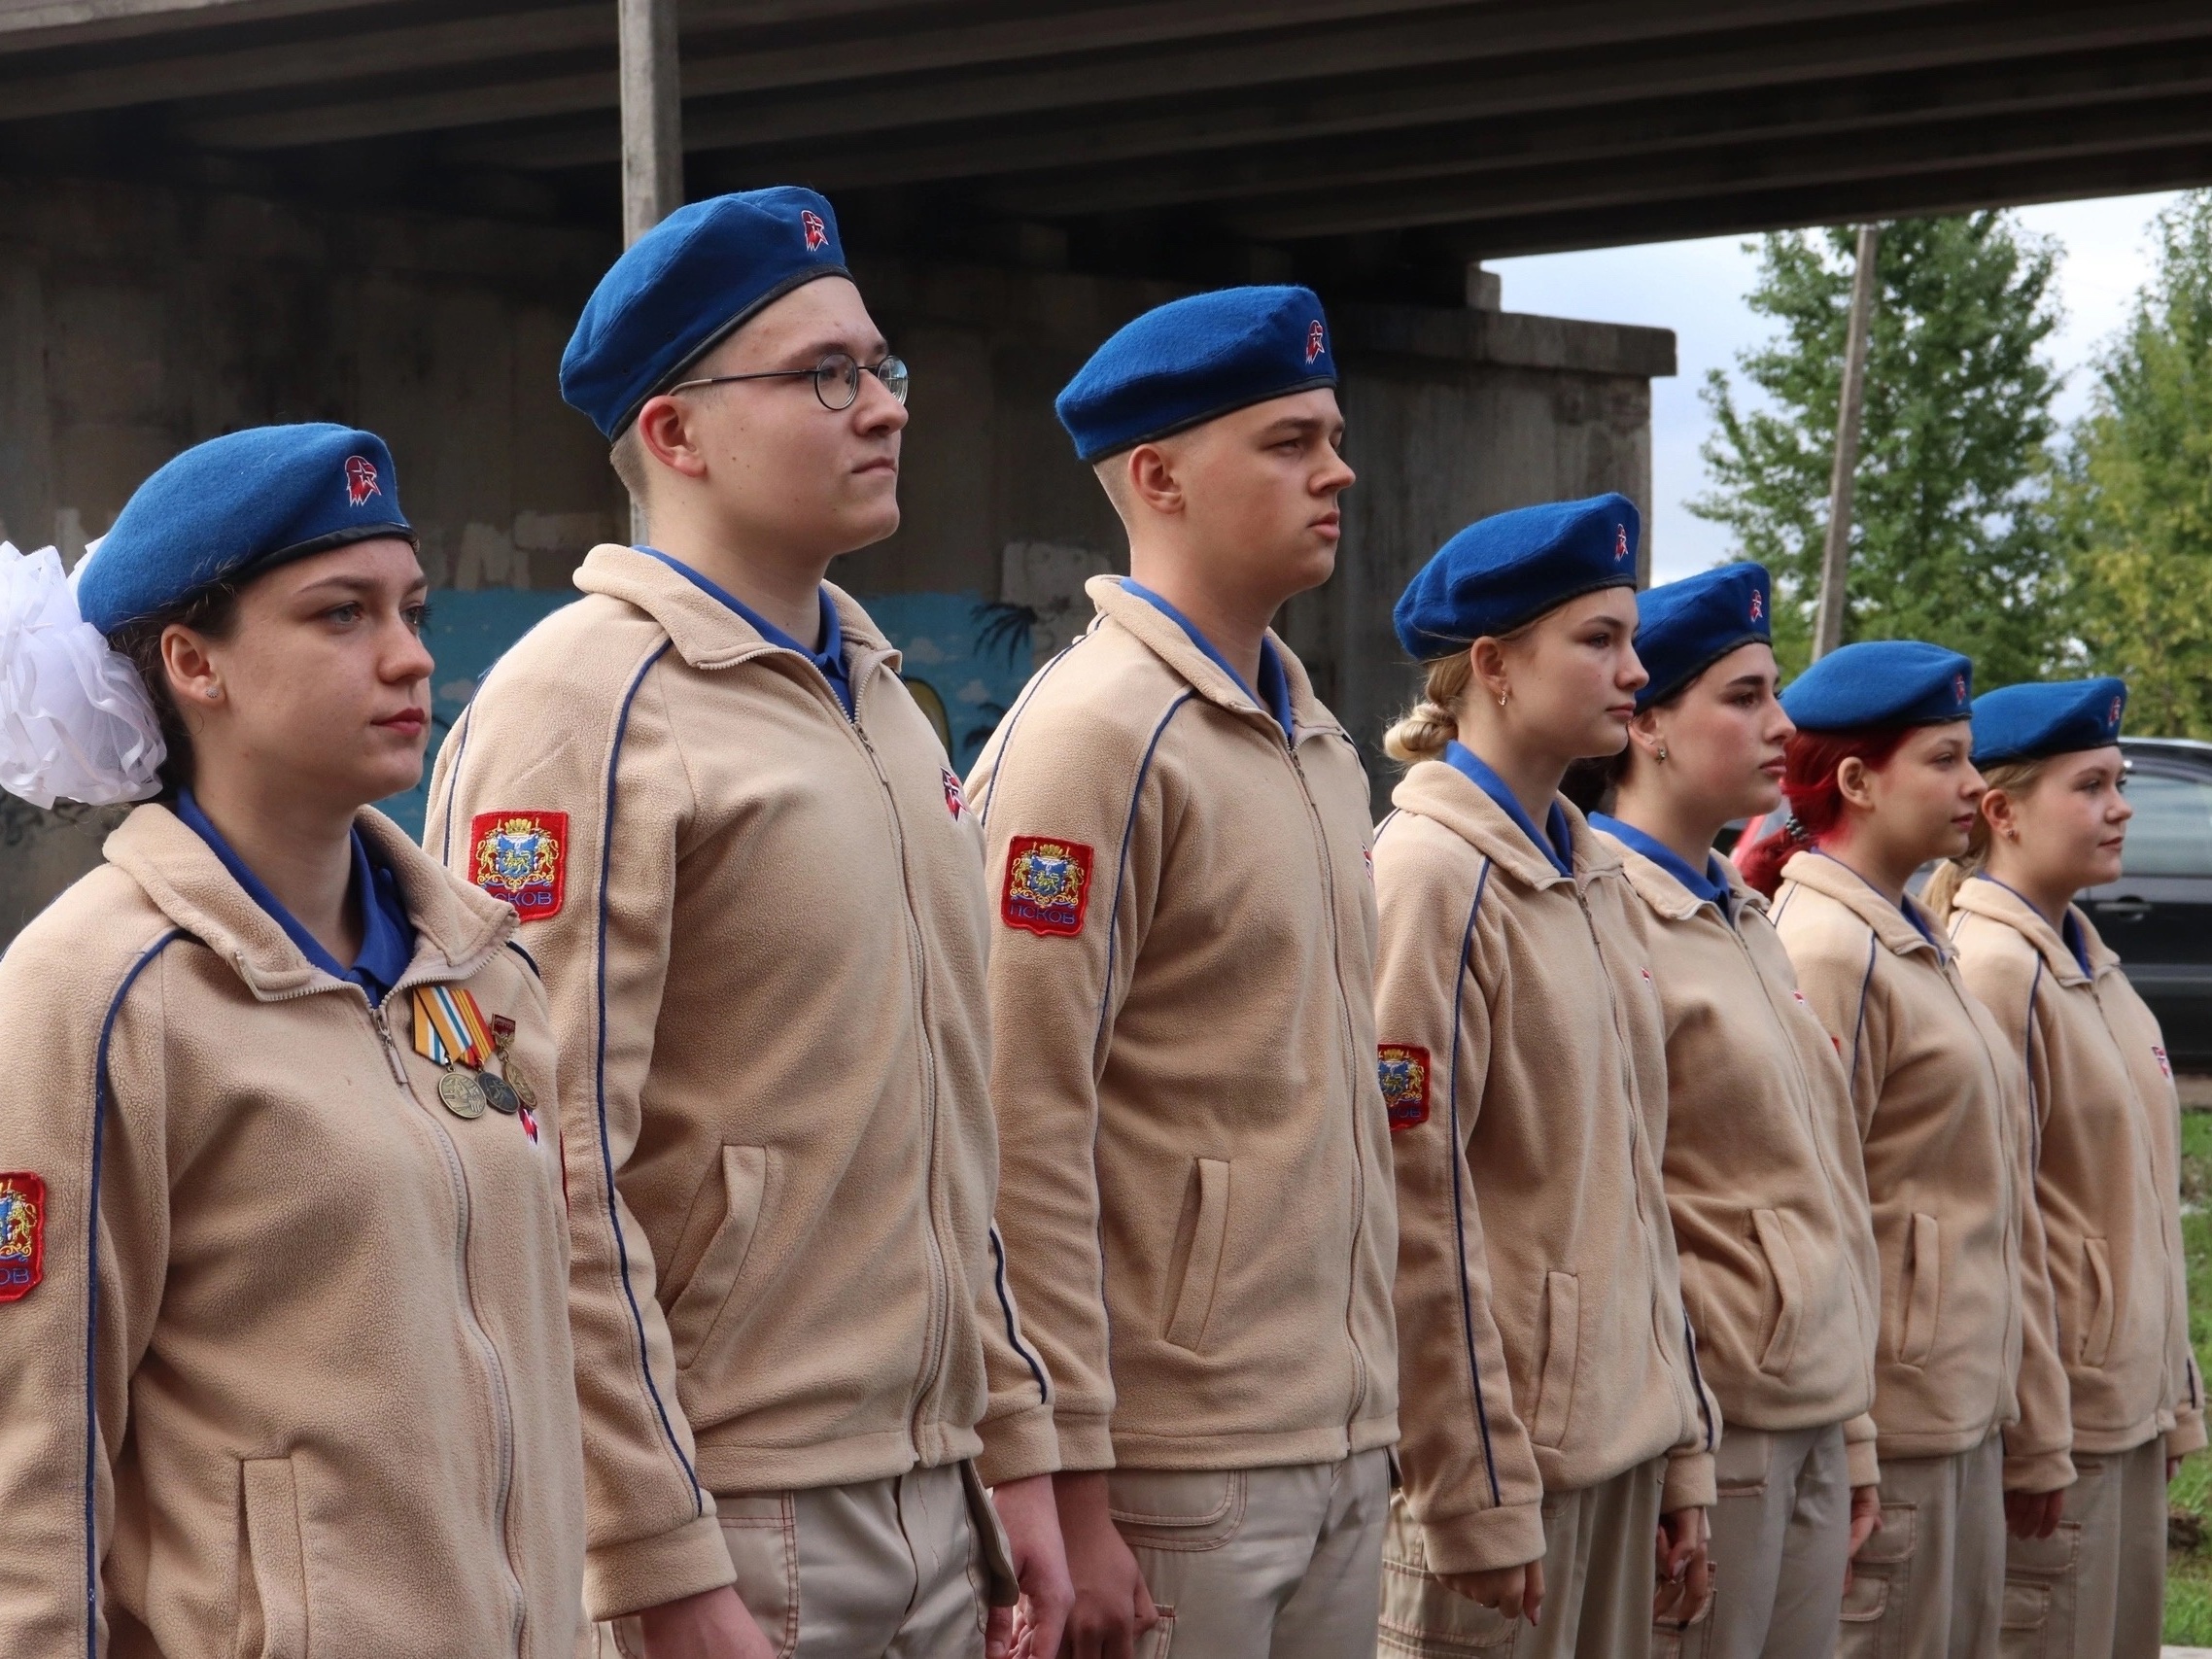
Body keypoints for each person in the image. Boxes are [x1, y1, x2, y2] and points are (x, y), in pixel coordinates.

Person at [427, 188, 1071, 1659]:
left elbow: (955, 1119)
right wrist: (656, 1548)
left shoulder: (885, 697)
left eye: (883, 367)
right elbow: (548, 1162)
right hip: (737, 1500)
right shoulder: (582, 705)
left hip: (929, 1476)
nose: (882, 408)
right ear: (675, 433)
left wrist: (1014, 1435)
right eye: (824, 374)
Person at [0, 424, 586, 1655]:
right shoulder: (97, 990)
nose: (409, 658)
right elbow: (30, 1455)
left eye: (412, 612)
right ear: (193, 664)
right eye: (340, 616)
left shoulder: (476, 963)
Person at [964, 286, 1400, 1659]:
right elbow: (1022, 1125)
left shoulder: (1318, 740)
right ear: (1157, 475)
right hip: (1177, 1456)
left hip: (1333, 1429)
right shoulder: (1093, 734)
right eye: (1287, 441)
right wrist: (1071, 1482)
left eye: (1331, 434)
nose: (1335, 469)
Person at [1372, 495, 1717, 1659]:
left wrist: (1680, 1448)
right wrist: (1470, 1488)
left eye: (1632, 638)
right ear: (1492, 666)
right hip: (1507, 1475)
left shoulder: (1590, 873)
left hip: (1615, 1448)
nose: (1635, 668)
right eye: (1596, 640)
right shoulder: (1428, 875)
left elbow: (1636, 1184)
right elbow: (1414, 1202)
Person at [1563, 563, 1882, 1659]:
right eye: (1741, 697)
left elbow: (1818, 1178)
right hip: (1711, 1415)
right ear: (1645, 724)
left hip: (1804, 1400)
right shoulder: (1611, 910)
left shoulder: (1740, 909)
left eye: (1773, 692)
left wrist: (1854, 1423)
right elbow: (1621, 1195)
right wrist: (1678, 1445)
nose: (1778, 723)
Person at [1737, 640, 2073, 1659]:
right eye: (1942, 759)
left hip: (1954, 1409)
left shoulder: (1903, 935)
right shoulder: (1825, 947)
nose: (1972, 784)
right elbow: (1814, 1196)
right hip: (1894, 1416)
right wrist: (1854, 1436)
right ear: (1854, 782)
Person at [1922, 678, 2203, 1659]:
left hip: (2117, 1409)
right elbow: (1994, 1219)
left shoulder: (2087, 960)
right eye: (2089, 785)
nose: (2119, 805)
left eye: (2117, 781)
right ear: (1999, 811)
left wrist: (2171, 1400)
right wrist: (2039, 1425)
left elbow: (2131, 1203)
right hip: (2056, 1422)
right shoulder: (1993, 969)